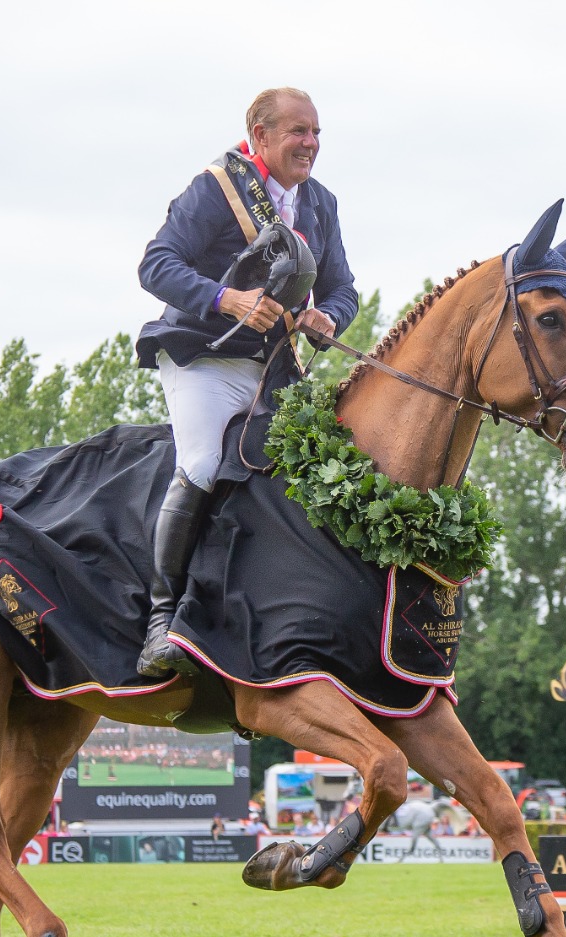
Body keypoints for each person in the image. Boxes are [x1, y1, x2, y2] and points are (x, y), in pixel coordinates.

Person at [133, 87, 359, 676]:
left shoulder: (321, 202)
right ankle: (161, 621)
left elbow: (342, 288)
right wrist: (226, 299)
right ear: (260, 135)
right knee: (203, 464)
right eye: (298, 132)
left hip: (275, 368)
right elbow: (156, 264)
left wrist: (329, 318)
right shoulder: (215, 188)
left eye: (316, 133)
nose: (310, 144)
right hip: (204, 360)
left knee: (322, 469)